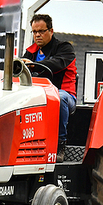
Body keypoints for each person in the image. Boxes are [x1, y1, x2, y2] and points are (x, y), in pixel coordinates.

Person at [22, 14, 77, 162]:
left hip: (65, 96)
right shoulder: (30, 52)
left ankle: (60, 145)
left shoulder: (65, 49)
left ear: (51, 31)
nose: (38, 35)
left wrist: (32, 65)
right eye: (34, 32)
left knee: (58, 97)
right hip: (38, 95)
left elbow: (56, 63)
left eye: (41, 31)